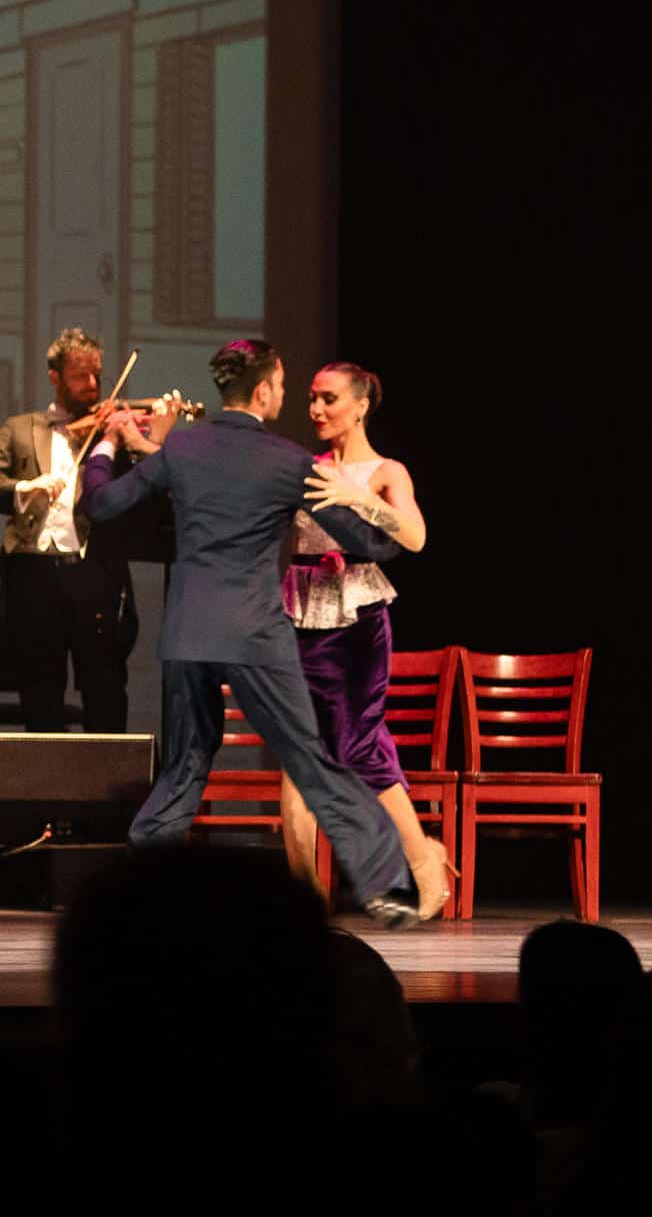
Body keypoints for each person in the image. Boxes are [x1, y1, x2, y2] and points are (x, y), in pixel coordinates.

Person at [81, 339, 419, 925]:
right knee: (309, 758)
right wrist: (372, 509)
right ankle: (388, 884)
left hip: (188, 633)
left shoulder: (184, 447)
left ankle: (139, 887)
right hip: (255, 636)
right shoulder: (290, 461)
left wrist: (108, 445)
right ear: (263, 391)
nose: (290, 397)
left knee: (185, 762)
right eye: (285, 386)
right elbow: (370, 543)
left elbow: (103, 505)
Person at [266, 361, 446, 917]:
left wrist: (357, 496)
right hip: (299, 615)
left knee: (358, 743)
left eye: (329, 399)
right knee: (297, 754)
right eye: (312, 400)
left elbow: (414, 536)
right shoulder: (306, 467)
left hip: (357, 621)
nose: (316, 409)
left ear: (361, 404)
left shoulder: (386, 470)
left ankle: (422, 861)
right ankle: (305, 900)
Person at [0, 326, 163, 732]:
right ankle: (45, 794)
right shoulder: (20, 428)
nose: (92, 387)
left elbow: (147, 491)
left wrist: (146, 440)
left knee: (105, 690)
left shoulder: (114, 432)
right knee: (40, 696)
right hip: (32, 576)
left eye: (97, 375)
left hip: (95, 576)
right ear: (55, 377)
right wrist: (25, 488)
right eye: (80, 377)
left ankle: (107, 793)